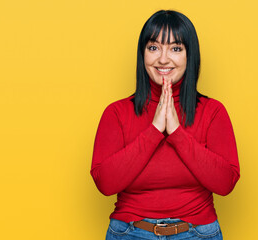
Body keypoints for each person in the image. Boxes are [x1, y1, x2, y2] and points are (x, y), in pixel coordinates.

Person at [90, 9, 240, 240]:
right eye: (153, 47)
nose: (163, 59)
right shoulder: (116, 113)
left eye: (176, 48)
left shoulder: (213, 112)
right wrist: (154, 130)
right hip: (129, 232)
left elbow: (225, 183)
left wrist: (177, 132)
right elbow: (106, 184)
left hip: (197, 233)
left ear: (190, 55)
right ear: (142, 54)